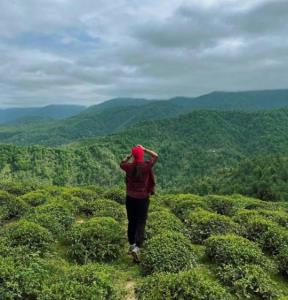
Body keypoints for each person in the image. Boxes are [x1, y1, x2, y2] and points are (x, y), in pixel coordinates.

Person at [120, 144, 158, 262]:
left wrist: (131, 155)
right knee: (141, 221)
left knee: (132, 221)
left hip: (130, 198)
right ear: (142, 155)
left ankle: (132, 244)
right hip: (142, 199)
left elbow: (121, 163)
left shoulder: (128, 167)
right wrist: (144, 149)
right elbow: (156, 156)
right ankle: (137, 247)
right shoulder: (146, 166)